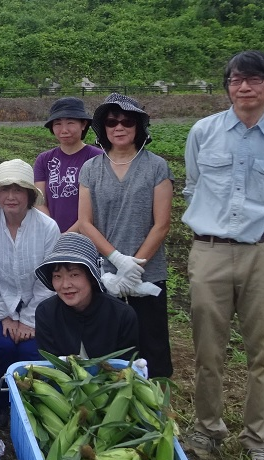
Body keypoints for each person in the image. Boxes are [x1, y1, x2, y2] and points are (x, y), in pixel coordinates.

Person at [180, 51, 264, 460]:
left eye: (253, 79)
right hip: (210, 250)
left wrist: (262, 228)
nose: (244, 87)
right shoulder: (204, 131)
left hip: (263, 253)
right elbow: (194, 185)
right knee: (207, 351)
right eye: (236, 80)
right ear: (228, 86)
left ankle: (258, 443)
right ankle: (206, 431)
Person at [78, 92, 174, 379]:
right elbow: (85, 222)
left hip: (148, 272)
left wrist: (135, 267)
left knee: (152, 346)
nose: (119, 128)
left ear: (138, 127)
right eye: (111, 122)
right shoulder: (91, 169)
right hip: (107, 274)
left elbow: (162, 224)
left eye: (127, 121)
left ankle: (155, 410)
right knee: (110, 347)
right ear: (103, 128)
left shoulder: (156, 166)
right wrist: (118, 260)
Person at [0, 159, 59, 427]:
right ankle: (1, 404)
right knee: (3, 346)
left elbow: (49, 278)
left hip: (38, 303)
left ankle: (31, 405)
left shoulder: (47, 228)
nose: (11, 196)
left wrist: (29, 320)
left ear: (29, 195)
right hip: (2, 304)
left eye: (18, 190)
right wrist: (6, 318)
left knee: (31, 351)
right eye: (4, 190)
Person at [34, 232, 138, 362]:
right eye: (57, 276)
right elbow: (48, 365)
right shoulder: (46, 312)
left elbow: (126, 366)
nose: (65, 285)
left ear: (92, 277)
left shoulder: (122, 315)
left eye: (74, 275)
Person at [33, 97, 103, 232]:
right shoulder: (44, 159)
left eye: (70, 123)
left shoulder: (97, 158)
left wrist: (67, 235)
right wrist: (53, 231)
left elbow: (97, 205)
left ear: (83, 125)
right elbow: (39, 201)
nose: (64, 130)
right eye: (57, 124)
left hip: (88, 236)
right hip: (51, 234)